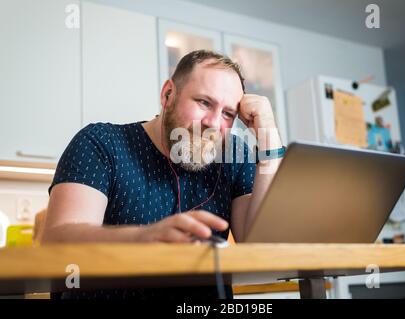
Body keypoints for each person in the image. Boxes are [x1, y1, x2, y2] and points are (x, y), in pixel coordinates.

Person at [42, 50, 284, 299]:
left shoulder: (233, 155)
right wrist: (142, 238)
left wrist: (269, 137)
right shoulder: (101, 143)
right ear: (168, 94)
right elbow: (56, 243)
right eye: (204, 102)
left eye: (227, 114)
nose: (213, 123)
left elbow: (261, 249)